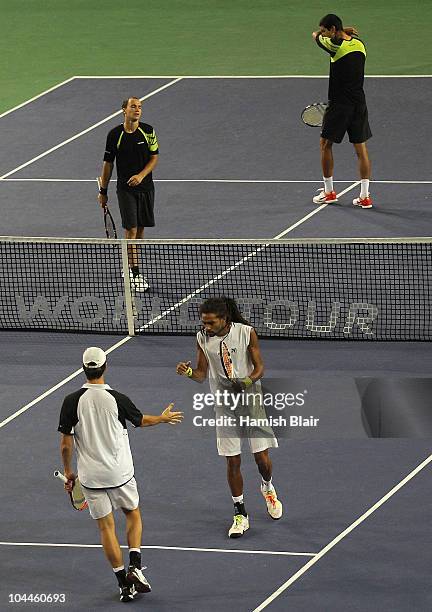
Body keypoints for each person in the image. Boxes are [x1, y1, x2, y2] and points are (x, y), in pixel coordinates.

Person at [58, 347, 183, 602]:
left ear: (84, 369)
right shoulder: (117, 398)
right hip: (120, 474)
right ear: (106, 367)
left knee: (106, 528)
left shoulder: (71, 401)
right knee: (132, 515)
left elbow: (65, 444)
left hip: (91, 479)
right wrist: (161, 418)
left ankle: (123, 584)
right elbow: (140, 421)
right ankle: (135, 566)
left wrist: (70, 473)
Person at [176, 297, 282, 538]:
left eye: (211, 323)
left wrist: (245, 382)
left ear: (224, 319)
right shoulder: (202, 338)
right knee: (233, 461)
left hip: (251, 404)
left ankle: (267, 487)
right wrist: (189, 372)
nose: (206, 327)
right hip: (225, 407)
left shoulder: (246, 332)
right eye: (204, 322)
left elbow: (259, 368)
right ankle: (240, 513)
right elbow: (202, 374)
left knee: (261, 460)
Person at [97, 97, 159, 291]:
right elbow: (108, 165)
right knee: (131, 230)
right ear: (124, 110)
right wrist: (103, 191)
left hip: (146, 188)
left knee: (140, 231)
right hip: (125, 191)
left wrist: (141, 176)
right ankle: (134, 273)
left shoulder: (148, 131)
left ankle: (130, 263)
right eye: (133, 107)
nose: (137, 110)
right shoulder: (114, 135)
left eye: (140, 107)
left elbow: (154, 157)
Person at [312, 14, 373, 209]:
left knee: (325, 144)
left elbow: (314, 36)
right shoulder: (360, 44)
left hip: (339, 105)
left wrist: (326, 34)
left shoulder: (333, 46)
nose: (322, 33)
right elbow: (340, 36)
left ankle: (329, 192)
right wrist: (344, 31)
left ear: (331, 30)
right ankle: (365, 197)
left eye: (325, 30)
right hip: (359, 104)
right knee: (361, 149)